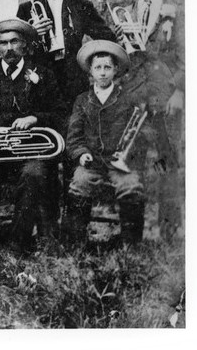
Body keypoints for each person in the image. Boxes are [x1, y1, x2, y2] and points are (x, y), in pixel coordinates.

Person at [0, 19, 64, 253]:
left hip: (31, 154)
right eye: (3, 43)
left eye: (14, 42)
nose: (9, 48)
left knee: (34, 175)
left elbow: (59, 114)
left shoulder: (44, 75)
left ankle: (19, 242)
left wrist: (35, 118)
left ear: (25, 46)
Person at [118, 0, 184, 240]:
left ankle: (169, 232)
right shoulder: (128, 9)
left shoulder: (175, 10)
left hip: (164, 96)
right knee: (132, 160)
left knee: (165, 162)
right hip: (133, 96)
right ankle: (131, 234)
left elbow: (187, 54)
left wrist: (179, 91)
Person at [16, 0, 116, 115]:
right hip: (40, 77)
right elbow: (16, 49)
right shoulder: (26, 9)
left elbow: (107, 39)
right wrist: (32, 34)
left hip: (74, 78)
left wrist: (89, 61)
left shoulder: (81, 6)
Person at [62, 41, 145, 245]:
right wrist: (81, 153)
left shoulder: (128, 99)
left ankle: (131, 245)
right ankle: (76, 244)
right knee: (79, 184)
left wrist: (128, 155)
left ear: (116, 69)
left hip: (120, 165)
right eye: (97, 68)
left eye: (107, 67)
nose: (102, 73)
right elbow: (74, 135)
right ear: (90, 71)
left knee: (131, 187)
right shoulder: (82, 100)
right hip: (92, 163)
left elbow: (138, 134)